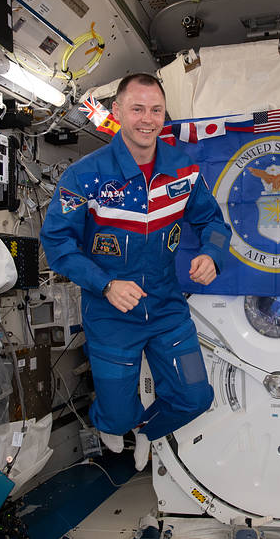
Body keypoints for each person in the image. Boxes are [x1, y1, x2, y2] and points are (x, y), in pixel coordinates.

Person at [40, 73, 232, 470]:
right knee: (117, 413)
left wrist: (212, 255)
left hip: (166, 308)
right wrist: (106, 284)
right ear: (117, 111)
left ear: (164, 114)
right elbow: (58, 243)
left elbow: (213, 222)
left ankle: (146, 429)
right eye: (137, 109)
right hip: (111, 313)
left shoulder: (183, 170)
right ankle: (114, 423)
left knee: (196, 398)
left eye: (156, 110)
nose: (147, 119)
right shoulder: (85, 176)